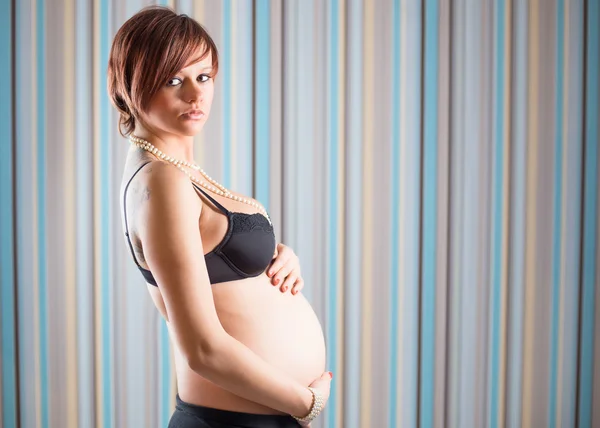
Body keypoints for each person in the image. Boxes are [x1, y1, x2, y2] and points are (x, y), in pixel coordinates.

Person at [107, 5, 332, 428]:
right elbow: (203, 349)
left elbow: (216, 262)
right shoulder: (162, 181)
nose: (195, 94)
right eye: (174, 79)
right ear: (129, 84)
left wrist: (277, 257)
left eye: (204, 76)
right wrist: (306, 403)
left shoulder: (178, 173)